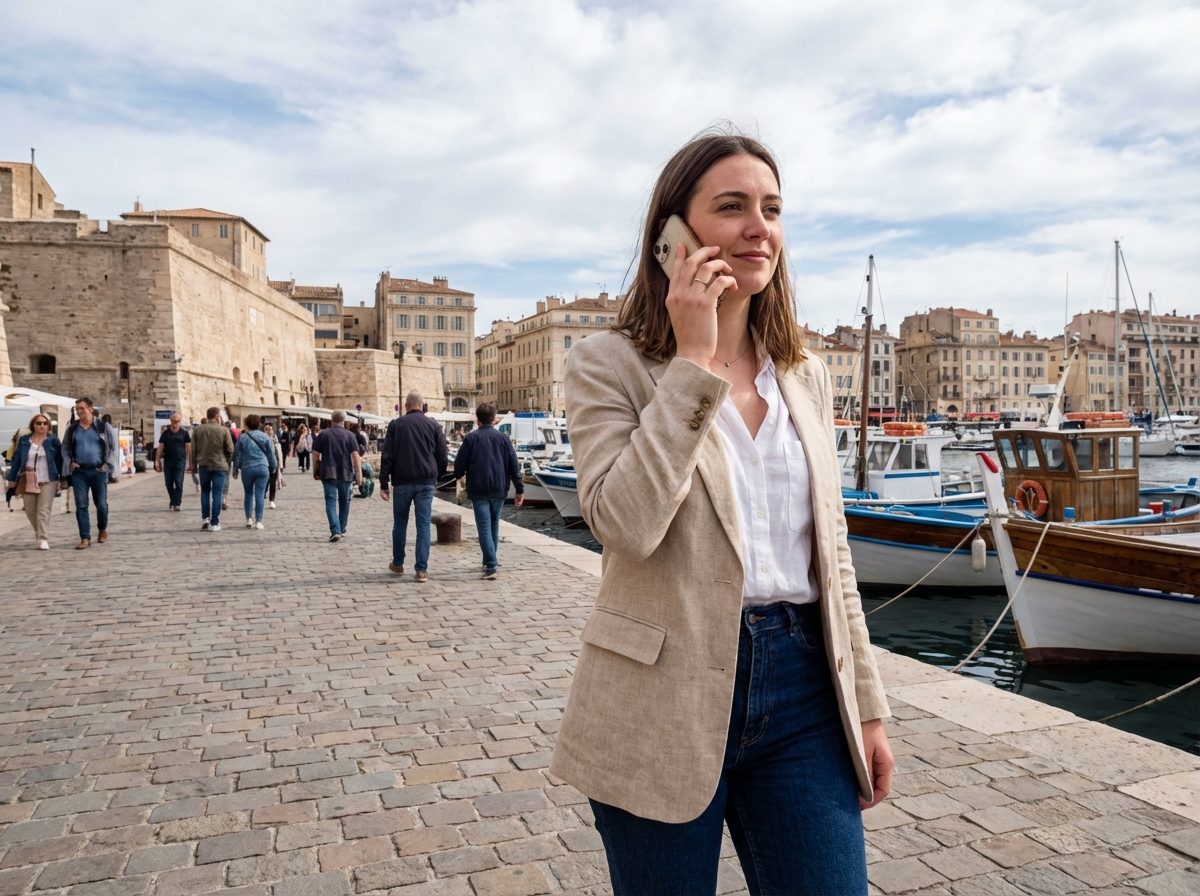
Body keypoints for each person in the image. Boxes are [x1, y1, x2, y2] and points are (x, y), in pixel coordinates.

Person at [547, 132, 893, 895]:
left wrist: (866, 705)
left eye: (771, 208)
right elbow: (624, 523)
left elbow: (831, 556)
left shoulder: (806, 376)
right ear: (674, 237)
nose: (757, 227)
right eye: (731, 207)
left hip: (803, 687)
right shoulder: (609, 363)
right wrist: (693, 364)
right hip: (657, 691)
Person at [379, 390, 447, 582]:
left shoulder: (396, 425)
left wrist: (384, 482)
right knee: (423, 524)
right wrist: (438, 473)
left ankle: (398, 563)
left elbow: (387, 455)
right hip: (426, 480)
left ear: (406, 406)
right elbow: (442, 454)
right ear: (422, 404)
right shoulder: (433, 424)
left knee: (400, 523)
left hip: (401, 481)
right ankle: (421, 570)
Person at [453, 402, 524, 579]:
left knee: (484, 527)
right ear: (494, 419)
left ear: (477, 420)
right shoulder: (504, 439)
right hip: (499, 488)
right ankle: (489, 561)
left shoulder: (471, 438)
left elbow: (459, 466)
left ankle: (491, 565)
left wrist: (459, 474)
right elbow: (514, 466)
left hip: (478, 488)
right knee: (493, 525)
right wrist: (519, 489)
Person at [61, 398, 120, 550]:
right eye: (77, 409)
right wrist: (69, 463)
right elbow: (65, 447)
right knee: (81, 506)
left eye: (82, 408)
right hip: (79, 472)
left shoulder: (103, 427)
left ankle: (102, 528)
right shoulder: (73, 429)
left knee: (101, 505)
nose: (79, 411)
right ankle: (85, 537)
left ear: (90, 409)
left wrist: (107, 464)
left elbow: (114, 447)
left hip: (98, 471)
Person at [6, 413, 62, 549]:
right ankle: (39, 533)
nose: (42, 425)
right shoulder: (25, 441)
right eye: (39, 423)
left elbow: (60, 460)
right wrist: (12, 479)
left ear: (48, 426)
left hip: (49, 479)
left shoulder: (53, 440)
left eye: (44, 423)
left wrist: (63, 477)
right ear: (33, 425)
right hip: (28, 479)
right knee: (30, 511)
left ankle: (43, 538)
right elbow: (17, 460)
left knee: (43, 510)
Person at [312, 410, 362, 542]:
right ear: (344, 420)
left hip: (328, 472)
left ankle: (335, 529)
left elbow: (315, 454)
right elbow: (356, 456)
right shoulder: (350, 435)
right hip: (345, 473)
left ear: (331, 419)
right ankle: (342, 528)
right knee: (345, 501)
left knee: (330, 501)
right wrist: (359, 475)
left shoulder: (323, 435)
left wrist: (315, 471)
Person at [190, 407, 234, 532]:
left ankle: (205, 518)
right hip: (220, 465)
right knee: (217, 493)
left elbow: (193, 449)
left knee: (205, 492)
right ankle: (214, 522)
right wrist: (227, 461)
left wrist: (193, 464)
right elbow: (230, 449)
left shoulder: (198, 430)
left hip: (204, 465)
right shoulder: (224, 430)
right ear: (217, 417)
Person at [231, 415, 277, 529]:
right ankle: (259, 521)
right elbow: (271, 453)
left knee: (248, 493)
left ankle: (249, 519)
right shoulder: (265, 437)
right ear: (259, 424)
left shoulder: (242, 437)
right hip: (262, 467)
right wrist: (274, 466)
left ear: (247, 424)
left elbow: (237, 455)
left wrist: (235, 469)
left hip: (247, 468)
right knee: (260, 494)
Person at [155, 413, 191, 511]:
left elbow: (188, 447)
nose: (175, 423)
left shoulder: (184, 433)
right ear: (170, 421)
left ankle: (177, 503)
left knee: (179, 482)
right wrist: (157, 460)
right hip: (168, 461)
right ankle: (173, 499)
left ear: (180, 422)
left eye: (177, 421)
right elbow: (160, 447)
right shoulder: (166, 434)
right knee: (168, 483)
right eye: (174, 421)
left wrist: (190, 462)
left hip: (180, 460)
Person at [263, 423, 284, 509]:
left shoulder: (275, 439)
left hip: (273, 464)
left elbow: (278, 451)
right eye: (267, 429)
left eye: (270, 428)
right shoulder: (262, 438)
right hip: (264, 463)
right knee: (265, 481)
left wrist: (280, 464)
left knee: (272, 482)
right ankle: (262, 495)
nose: (269, 430)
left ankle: (272, 500)